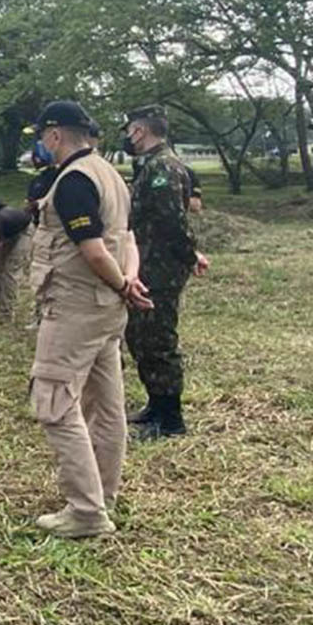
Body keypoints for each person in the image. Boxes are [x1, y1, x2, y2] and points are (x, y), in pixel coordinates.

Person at [29, 100, 153, 538]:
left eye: (43, 137)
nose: (42, 145)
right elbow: (128, 239)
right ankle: (103, 494)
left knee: (55, 404)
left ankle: (86, 512)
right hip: (107, 309)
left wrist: (122, 284)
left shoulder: (73, 181)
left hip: (76, 308)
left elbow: (95, 251)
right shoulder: (111, 176)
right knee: (105, 406)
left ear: (55, 135)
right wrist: (129, 281)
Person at [120, 105, 210, 439]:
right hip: (147, 265)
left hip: (161, 268)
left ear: (140, 130)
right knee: (141, 338)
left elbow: (173, 221)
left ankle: (171, 419)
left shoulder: (163, 167)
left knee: (158, 340)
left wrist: (189, 255)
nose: (129, 137)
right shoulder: (150, 165)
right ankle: (156, 405)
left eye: (130, 130)